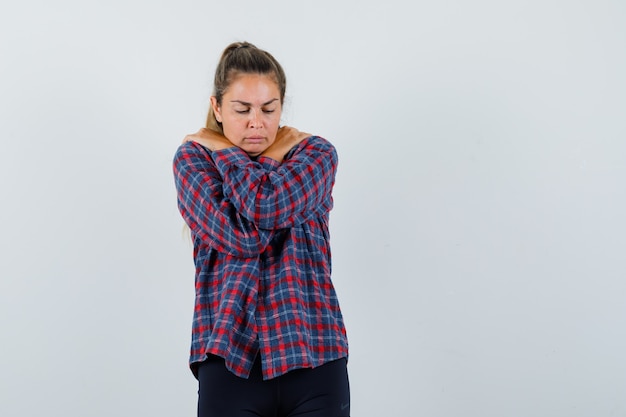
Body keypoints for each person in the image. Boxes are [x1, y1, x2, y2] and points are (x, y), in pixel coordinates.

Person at [172, 41, 350, 417]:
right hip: (230, 359)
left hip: (314, 353)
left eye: (269, 109)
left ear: (282, 107)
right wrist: (250, 155)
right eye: (242, 109)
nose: (257, 122)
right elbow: (245, 236)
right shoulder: (193, 159)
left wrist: (232, 152)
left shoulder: (316, 154)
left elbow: (263, 205)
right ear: (217, 108)